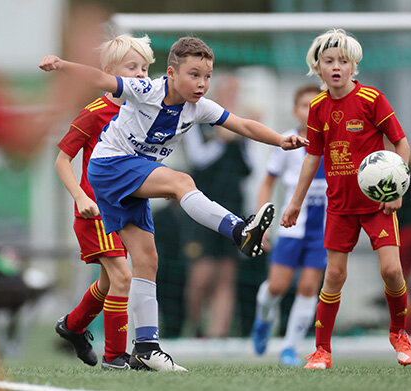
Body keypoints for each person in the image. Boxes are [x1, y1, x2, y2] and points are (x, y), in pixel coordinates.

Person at [39, 36, 308, 371]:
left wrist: (281, 140)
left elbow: (242, 124)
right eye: (194, 75)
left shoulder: (200, 107)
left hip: (131, 179)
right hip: (109, 168)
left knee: (147, 259)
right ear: (170, 73)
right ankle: (240, 230)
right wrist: (62, 65)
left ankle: (146, 347)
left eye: (207, 76)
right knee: (181, 182)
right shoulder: (147, 90)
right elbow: (100, 80)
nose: (202, 83)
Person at [280, 28, 411, 369]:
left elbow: (401, 144)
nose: (337, 66)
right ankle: (322, 350)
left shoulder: (372, 99)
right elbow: (313, 155)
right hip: (339, 207)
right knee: (335, 276)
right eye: (329, 61)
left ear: (353, 66)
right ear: (318, 67)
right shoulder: (317, 107)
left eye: (344, 61)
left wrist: (397, 190)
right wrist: (295, 202)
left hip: (377, 205)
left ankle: (399, 332)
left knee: (391, 270)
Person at [52, 34, 155, 371]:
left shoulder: (144, 111)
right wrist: (80, 196)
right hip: (96, 210)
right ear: (110, 71)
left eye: (144, 68)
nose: (140, 74)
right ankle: (115, 357)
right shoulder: (95, 112)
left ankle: (72, 327)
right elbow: (62, 161)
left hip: (124, 210)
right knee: (123, 278)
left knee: (110, 282)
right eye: (132, 67)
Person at [251, 84, 326, 366]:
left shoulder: (334, 141)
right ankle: (263, 318)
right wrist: (262, 222)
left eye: (316, 104)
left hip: (322, 230)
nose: (311, 110)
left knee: (308, 287)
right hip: (292, 226)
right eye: (305, 105)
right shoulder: (287, 141)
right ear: (295, 111)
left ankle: (289, 348)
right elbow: (267, 182)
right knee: (277, 286)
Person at [182, 74, 251, 339]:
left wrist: (238, 136)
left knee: (226, 274)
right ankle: (195, 327)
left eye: (237, 92)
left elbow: (250, 167)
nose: (233, 97)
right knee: (201, 275)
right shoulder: (196, 120)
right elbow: (198, 160)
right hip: (201, 207)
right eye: (228, 92)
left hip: (233, 206)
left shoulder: (240, 126)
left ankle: (217, 336)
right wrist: (222, 139)